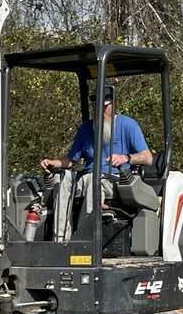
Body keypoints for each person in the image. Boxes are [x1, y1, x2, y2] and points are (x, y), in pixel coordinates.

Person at [40, 87, 153, 239]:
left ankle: (86, 239)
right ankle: (60, 239)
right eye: (96, 106)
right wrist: (53, 163)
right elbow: (70, 161)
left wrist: (126, 158)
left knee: (93, 181)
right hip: (87, 178)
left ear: (113, 105)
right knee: (63, 177)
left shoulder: (128, 125)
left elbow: (148, 158)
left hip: (116, 180)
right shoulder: (86, 129)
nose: (99, 110)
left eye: (104, 106)